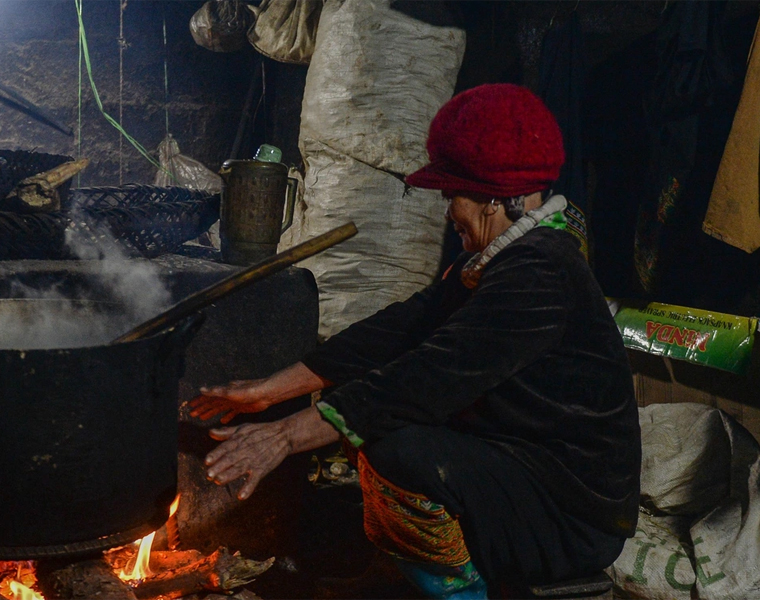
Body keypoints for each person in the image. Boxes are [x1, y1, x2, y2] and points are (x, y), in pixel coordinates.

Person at [189, 84, 640, 599]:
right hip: (523, 469)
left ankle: (463, 594)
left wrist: (287, 436)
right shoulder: (508, 257)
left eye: (453, 195)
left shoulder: (541, 270)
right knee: (385, 436)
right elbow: (404, 327)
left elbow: (430, 375)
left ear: (496, 198)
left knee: (395, 449)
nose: (449, 210)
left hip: (570, 513)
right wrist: (273, 390)